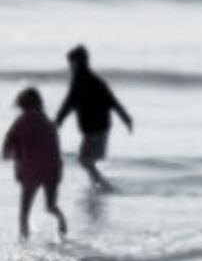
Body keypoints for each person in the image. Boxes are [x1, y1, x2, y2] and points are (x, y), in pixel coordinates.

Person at [55, 45, 133, 190]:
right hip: (101, 127)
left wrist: (57, 122)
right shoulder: (96, 81)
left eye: (71, 63)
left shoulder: (80, 81)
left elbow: (68, 103)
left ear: (77, 63)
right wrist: (126, 119)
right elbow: (113, 102)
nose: (70, 67)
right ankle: (97, 185)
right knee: (86, 161)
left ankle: (104, 185)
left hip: (94, 129)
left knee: (84, 160)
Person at [3, 87, 68, 240]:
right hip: (51, 170)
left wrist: (8, 155)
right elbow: (55, 149)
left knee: (24, 211)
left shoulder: (21, 121)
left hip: (32, 171)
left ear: (22, 104)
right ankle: (62, 223)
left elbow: (9, 141)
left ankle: (24, 239)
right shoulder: (47, 122)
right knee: (51, 206)